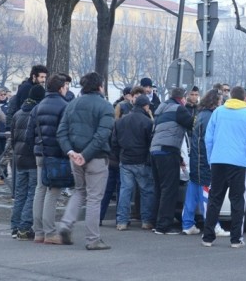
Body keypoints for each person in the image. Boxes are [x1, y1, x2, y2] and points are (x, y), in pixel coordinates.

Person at [56, 72, 115, 250]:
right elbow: (102, 134)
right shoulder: (105, 106)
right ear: (99, 86)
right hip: (96, 157)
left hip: (75, 156)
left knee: (79, 191)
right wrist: (86, 154)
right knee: (94, 198)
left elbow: (61, 132)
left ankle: (66, 225)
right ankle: (93, 239)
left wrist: (71, 152)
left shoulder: (72, 104)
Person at [201, 86, 246, 248]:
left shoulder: (218, 112)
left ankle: (208, 237)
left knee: (214, 199)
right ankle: (236, 239)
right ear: (244, 98)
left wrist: (212, 158)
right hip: (239, 163)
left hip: (218, 160)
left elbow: (209, 138)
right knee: (237, 200)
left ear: (231, 96)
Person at [26, 73, 71, 244]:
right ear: (60, 88)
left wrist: (37, 148)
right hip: (56, 155)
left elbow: (29, 134)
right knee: (53, 193)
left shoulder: (38, 107)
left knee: (40, 190)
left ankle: (38, 232)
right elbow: (65, 133)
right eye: (65, 86)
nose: (67, 89)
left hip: (40, 153)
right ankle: (50, 232)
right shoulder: (65, 106)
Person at [183, 90, 229, 236]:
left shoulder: (200, 114)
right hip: (205, 160)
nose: (221, 103)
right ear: (215, 102)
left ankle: (188, 224)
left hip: (196, 158)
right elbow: (210, 140)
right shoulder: (211, 116)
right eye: (220, 100)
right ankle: (213, 224)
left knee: (192, 192)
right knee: (206, 194)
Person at [150, 87, 194, 235]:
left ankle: (155, 222)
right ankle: (164, 226)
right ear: (183, 98)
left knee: (159, 188)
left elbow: (164, 132)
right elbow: (192, 124)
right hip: (168, 151)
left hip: (155, 151)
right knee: (169, 189)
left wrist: (179, 157)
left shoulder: (161, 109)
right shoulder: (179, 109)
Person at [114, 95, 155, 231]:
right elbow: (150, 143)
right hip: (142, 160)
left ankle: (122, 221)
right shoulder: (147, 122)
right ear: (145, 106)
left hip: (125, 160)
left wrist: (119, 155)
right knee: (146, 191)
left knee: (125, 191)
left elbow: (114, 142)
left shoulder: (120, 121)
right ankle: (146, 220)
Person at [10, 85, 45, 241]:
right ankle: (24, 228)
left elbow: (12, 137)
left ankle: (15, 226)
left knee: (20, 194)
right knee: (32, 194)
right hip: (32, 159)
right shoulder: (37, 113)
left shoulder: (17, 113)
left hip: (19, 158)